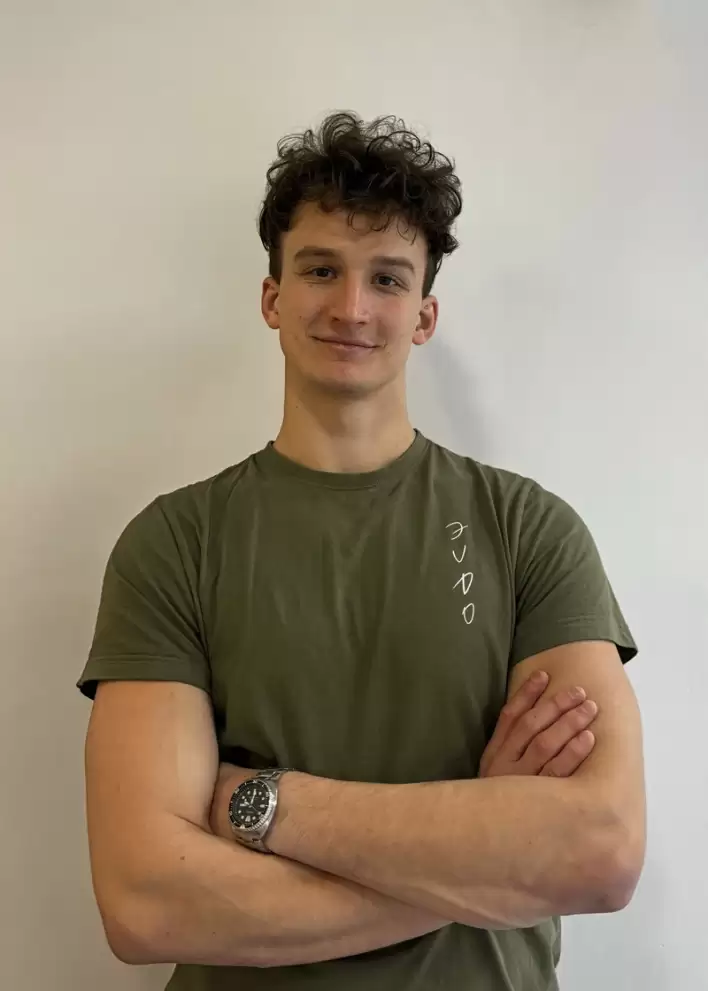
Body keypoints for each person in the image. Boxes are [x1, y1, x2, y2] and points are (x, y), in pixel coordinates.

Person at [78, 111, 645, 991]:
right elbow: (146, 903)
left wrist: (263, 804)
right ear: (272, 298)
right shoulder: (174, 544)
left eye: (386, 277)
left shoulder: (529, 529)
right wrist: (483, 853)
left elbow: (599, 851)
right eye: (320, 269)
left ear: (424, 315)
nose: (351, 307)